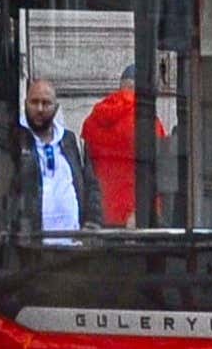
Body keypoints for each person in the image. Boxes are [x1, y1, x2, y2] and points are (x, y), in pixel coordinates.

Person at [80, 65, 166, 226]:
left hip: (101, 213)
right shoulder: (148, 120)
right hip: (136, 214)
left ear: (122, 85)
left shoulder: (93, 119)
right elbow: (160, 170)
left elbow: (88, 169)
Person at [16, 78, 101, 239]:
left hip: (72, 246)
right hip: (31, 249)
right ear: (25, 103)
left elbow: (91, 186)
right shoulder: (14, 142)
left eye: (46, 103)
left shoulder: (72, 142)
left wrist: (92, 224)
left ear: (56, 108)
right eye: (34, 102)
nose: (40, 109)